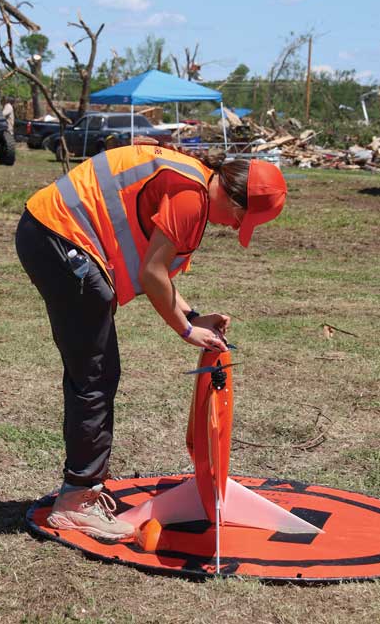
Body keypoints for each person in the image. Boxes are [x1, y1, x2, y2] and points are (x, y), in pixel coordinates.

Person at [15, 145, 287, 540]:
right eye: (240, 219)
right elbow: (152, 273)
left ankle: (81, 491)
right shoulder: (190, 196)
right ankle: (76, 502)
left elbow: (157, 274)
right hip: (60, 238)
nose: (232, 228)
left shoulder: (192, 182)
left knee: (95, 367)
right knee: (94, 373)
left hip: (50, 233)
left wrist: (193, 316)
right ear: (231, 196)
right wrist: (186, 330)